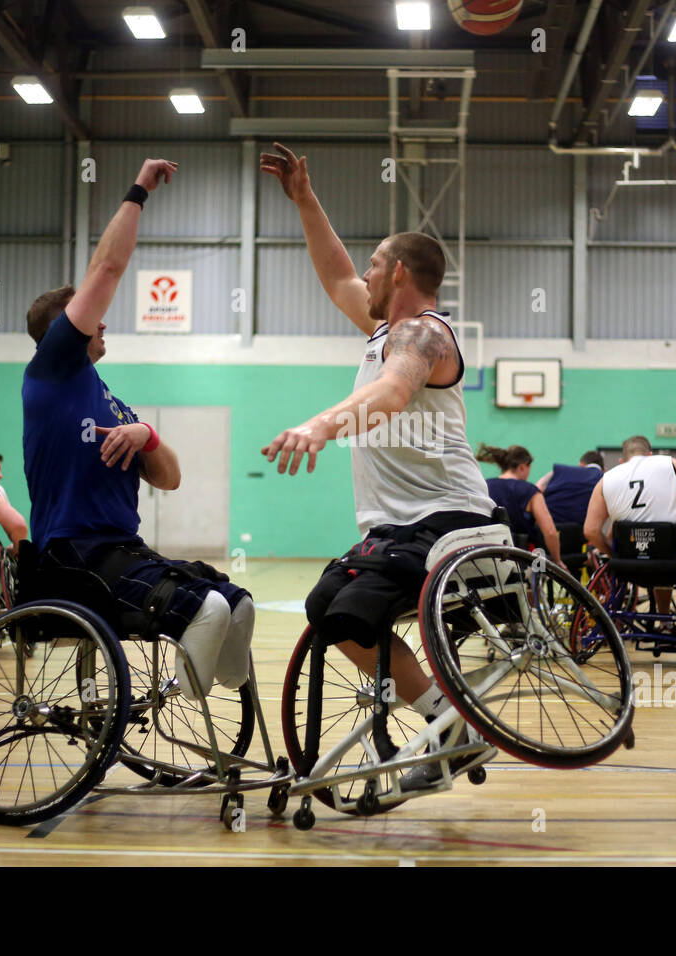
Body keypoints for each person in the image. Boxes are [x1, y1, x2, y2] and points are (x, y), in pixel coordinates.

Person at [260, 142, 496, 790]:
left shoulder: (425, 334)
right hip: (395, 529)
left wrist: (321, 425)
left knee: (351, 614)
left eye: (373, 266)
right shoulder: (378, 332)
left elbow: (391, 395)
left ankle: (451, 729)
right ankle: (445, 725)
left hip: (447, 521)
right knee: (326, 605)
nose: (360, 278)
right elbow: (336, 276)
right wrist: (305, 200)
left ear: (396, 274)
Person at [20, 157, 254, 702]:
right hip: (72, 555)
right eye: (89, 317)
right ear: (64, 330)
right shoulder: (52, 372)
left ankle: (201, 691)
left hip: (123, 547)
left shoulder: (110, 399)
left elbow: (169, 478)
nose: (103, 321)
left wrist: (147, 434)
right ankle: (175, 700)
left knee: (235, 600)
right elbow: (106, 270)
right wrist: (140, 189)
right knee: (210, 608)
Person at [583, 434, 676, 614]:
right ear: (650, 455)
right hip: (673, 560)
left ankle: (663, 614)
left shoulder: (606, 479)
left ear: (622, 461)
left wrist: (615, 554)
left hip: (628, 565)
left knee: (652, 549)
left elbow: (590, 530)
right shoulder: (671, 464)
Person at [475, 444, 562, 567]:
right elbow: (550, 532)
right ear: (522, 467)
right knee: (540, 555)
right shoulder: (530, 490)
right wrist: (557, 560)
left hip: (489, 555)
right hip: (523, 558)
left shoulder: (485, 486)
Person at [535, 450, 605, 526]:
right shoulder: (603, 478)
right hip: (579, 531)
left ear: (580, 464)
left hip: (547, 525)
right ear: (604, 469)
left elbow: (538, 488)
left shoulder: (561, 470)